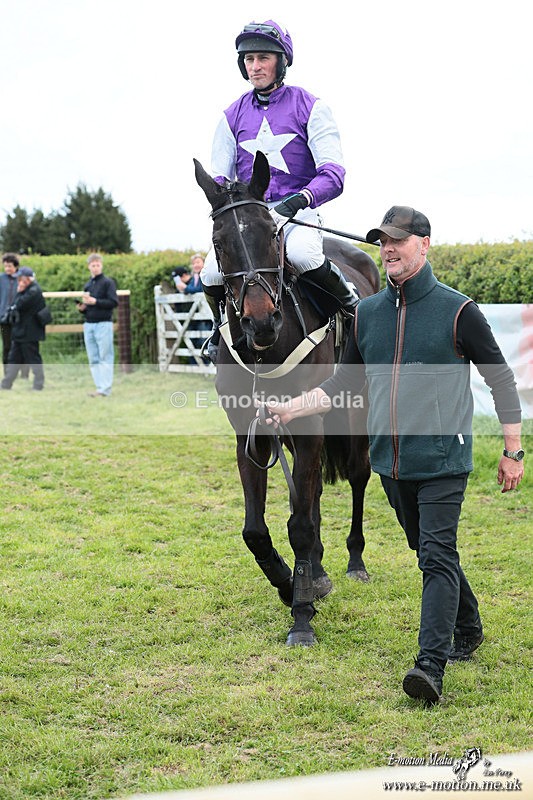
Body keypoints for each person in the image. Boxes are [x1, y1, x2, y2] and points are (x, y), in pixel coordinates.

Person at [262, 206, 524, 705]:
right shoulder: (367, 314)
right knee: (427, 549)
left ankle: (430, 665)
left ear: (424, 244)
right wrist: (292, 408)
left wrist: (514, 449)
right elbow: (341, 382)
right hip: (391, 463)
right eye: (382, 242)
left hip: (445, 459)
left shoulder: (459, 311)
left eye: (398, 241)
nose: (388, 250)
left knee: (435, 556)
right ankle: (468, 626)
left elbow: (500, 378)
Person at [200, 19, 357, 362]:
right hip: (253, 219)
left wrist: (300, 199)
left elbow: (334, 173)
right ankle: (217, 329)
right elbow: (221, 177)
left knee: (303, 255)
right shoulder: (231, 115)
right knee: (210, 270)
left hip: (299, 210)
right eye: (248, 59)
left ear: (281, 62)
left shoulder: (311, 106)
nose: (255, 66)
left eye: (262, 58)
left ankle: (354, 314)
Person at [77, 253, 118, 397]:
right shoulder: (88, 284)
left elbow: (113, 302)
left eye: (97, 265)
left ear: (101, 265)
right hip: (89, 324)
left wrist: (96, 302)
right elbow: (88, 305)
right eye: (93, 265)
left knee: (105, 356)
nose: (95, 268)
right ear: (89, 267)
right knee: (93, 358)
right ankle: (99, 387)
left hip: (103, 324)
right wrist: (83, 308)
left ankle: (105, 389)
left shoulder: (108, 283)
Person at [0, 267, 47, 391]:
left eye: (21, 279)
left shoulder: (33, 291)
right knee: (13, 358)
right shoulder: (26, 290)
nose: (19, 281)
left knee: (33, 358)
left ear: (28, 279)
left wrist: (19, 292)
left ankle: (38, 385)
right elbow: (14, 305)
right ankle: (6, 384)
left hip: (30, 332)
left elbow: (19, 305)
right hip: (20, 331)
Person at [0, 253, 29, 379]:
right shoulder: (1, 279)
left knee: (22, 345)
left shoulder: (22, 279)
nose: (7, 269)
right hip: (4, 318)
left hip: (20, 318)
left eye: (10, 266)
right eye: (5, 266)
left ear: (16, 266)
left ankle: (24, 373)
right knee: (7, 346)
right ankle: (8, 373)